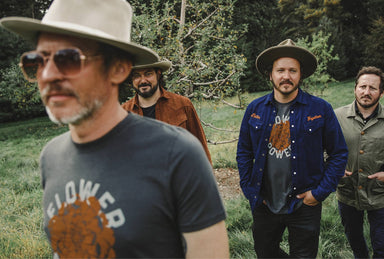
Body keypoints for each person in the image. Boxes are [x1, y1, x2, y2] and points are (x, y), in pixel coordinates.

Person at [0, 0, 229, 258]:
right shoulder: (51, 157)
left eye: (68, 58)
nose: (48, 74)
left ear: (119, 69)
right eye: (38, 60)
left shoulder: (178, 154)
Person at [236, 39, 348, 258]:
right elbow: (243, 152)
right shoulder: (255, 109)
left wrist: (318, 193)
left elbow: (338, 153)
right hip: (265, 202)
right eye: (280, 70)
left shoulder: (320, 109)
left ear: (301, 75)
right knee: (265, 252)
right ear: (270, 74)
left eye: (292, 71)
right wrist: (251, 192)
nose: (286, 76)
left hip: (304, 203)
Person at [334, 66, 384, 258]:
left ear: (381, 93)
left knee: (383, 249)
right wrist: (334, 169)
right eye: (362, 87)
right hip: (347, 192)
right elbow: (323, 150)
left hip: (381, 193)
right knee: (355, 242)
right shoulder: (337, 117)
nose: (366, 92)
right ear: (355, 89)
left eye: (373, 88)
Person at [122, 60, 212, 163]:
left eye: (148, 74)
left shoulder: (182, 105)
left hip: (179, 177)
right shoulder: (123, 113)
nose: (143, 81)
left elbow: (201, 148)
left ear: (158, 74)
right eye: (137, 76)